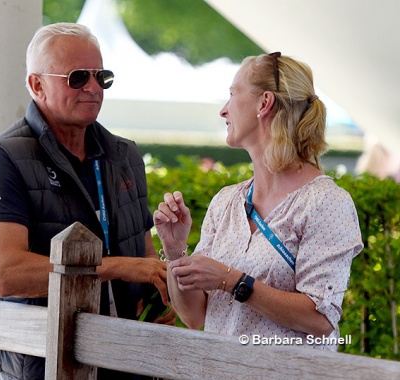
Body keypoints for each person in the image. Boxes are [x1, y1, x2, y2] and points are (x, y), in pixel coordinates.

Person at [0, 22, 173, 379]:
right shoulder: (1, 158)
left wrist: (152, 292)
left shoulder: (125, 154)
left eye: (102, 76)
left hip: (126, 361)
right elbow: (5, 274)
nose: (94, 88)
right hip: (42, 363)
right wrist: (115, 267)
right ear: (37, 85)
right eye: (78, 77)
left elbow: (142, 252)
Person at [154, 52, 363, 350]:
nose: (223, 111)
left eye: (232, 94)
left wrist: (231, 281)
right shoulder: (226, 201)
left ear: (264, 104)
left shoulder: (326, 203)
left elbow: (320, 319)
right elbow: (194, 315)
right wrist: (175, 251)